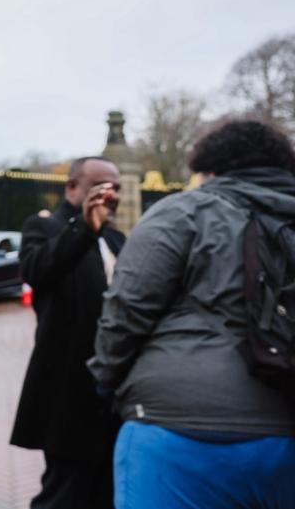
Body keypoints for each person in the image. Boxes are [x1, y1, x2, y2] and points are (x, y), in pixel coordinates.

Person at [89, 120, 295, 508]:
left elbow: (126, 310)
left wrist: (106, 379)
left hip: (177, 425)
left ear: (210, 170)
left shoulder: (182, 212)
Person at [10, 156, 124, 509]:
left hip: (115, 386)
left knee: (107, 490)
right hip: (69, 385)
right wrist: (84, 229)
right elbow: (37, 271)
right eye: (100, 186)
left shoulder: (118, 239)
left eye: (115, 188)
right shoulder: (43, 228)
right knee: (64, 492)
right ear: (73, 187)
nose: (109, 194)